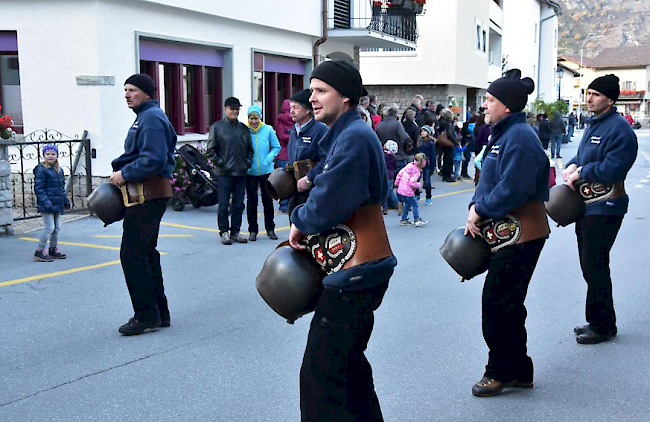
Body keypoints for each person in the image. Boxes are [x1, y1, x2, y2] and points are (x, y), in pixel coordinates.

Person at [288, 60, 396, 422]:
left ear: (346, 96)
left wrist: (299, 220)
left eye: (321, 91)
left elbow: (326, 205)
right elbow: (326, 177)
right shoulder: (349, 133)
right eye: (312, 90)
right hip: (362, 267)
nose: (312, 98)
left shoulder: (353, 137)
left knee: (321, 376)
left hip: (355, 270)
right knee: (348, 366)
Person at [464, 69, 549, 397]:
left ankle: (499, 371)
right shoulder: (503, 133)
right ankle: (518, 370)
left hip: (522, 233)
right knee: (509, 305)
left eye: (490, 100)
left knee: (497, 305)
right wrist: (477, 204)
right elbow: (489, 179)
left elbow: (513, 189)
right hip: (506, 232)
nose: (484, 105)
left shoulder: (520, 137)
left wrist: (481, 209)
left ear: (508, 106)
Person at [562, 74, 638, 345]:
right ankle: (598, 319)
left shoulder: (619, 129)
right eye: (588, 93)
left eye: (595, 94)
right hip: (587, 205)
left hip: (607, 205)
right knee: (590, 264)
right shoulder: (595, 125)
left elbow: (613, 168)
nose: (589, 98)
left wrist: (583, 171)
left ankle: (603, 325)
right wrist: (573, 164)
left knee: (595, 264)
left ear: (611, 99)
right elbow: (584, 156)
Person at [110, 73, 176, 335]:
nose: (127, 94)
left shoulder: (150, 119)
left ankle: (146, 315)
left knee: (132, 254)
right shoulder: (147, 117)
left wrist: (123, 174)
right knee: (146, 253)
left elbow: (154, 159)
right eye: (125, 90)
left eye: (133, 90)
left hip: (147, 195)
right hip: (148, 194)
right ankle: (159, 313)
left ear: (147, 93)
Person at [207, 97, 254, 245]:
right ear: (225, 109)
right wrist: (222, 164)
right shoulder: (217, 127)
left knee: (238, 205)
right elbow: (211, 150)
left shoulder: (244, 129)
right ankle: (224, 232)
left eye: (237, 109)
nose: (235, 112)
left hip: (241, 172)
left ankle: (235, 231)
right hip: (224, 173)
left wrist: (247, 163)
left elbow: (250, 150)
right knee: (223, 204)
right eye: (232, 109)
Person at [287, 89, 329, 218]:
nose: (292, 111)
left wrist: (309, 179)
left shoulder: (320, 130)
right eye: (290, 107)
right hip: (295, 189)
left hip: (313, 190)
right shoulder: (294, 130)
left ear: (307, 110)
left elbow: (326, 160)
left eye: (296, 107)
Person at [245, 105, 281, 241]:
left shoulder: (268, 130)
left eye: (256, 118)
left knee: (268, 201)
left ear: (260, 118)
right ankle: (252, 230)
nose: (253, 121)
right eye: (251, 118)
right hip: (250, 172)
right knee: (252, 201)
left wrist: (268, 159)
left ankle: (270, 229)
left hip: (266, 171)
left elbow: (276, 146)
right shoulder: (245, 131)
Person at [33, 143, 70, 262]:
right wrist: (45, 202)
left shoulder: (59, 170)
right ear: (43, 155)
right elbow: (39, 188)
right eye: (47, 154)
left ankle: (53, 249)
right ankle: (40, 251)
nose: (50, 156)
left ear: (57, 155)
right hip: (47, 204)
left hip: (57, 203)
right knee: (50, 227)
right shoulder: (41, 169)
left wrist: (65, 200)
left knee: (57, 227)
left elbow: (61, 188)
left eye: (53, 154)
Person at [395, 153, 428, 227]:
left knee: (408, 204)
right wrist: (419, 185)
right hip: (408, 191)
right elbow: (411, 183)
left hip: (401, 189)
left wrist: (397, 183)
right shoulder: (417, 172)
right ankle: (417, 219)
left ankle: (404, 219)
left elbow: (400, 174)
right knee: (415, 204)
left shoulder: (409, 165)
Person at [275, 99, 294, 213]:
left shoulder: (280, 120)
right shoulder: (297, 119)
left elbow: (281, 135)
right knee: (291, 179)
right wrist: (294, 137)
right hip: (289, 153)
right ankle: (288, 204)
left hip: (282, 154)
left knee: (282, 180)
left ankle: (283, 205)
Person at [435, 108, 458, 183]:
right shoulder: (448, 124)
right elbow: (450, 134)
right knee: (449, 159)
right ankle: (447, 175)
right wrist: (456, 141)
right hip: (448, 143)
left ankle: (444, 173)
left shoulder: (441, 122)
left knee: (445, 158)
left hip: (443, 142)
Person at [419, 125, 436, 205]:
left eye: (425, 131)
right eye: (422, 131)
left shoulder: (430, 143)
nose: (423, 133)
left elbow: (433, 156)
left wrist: (432, 167)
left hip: (427, 164)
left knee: (427, 182)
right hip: (418, 164)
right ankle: (416, 194)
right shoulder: (419, 141)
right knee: (415, 180)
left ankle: (428, 197)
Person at [382, 140, 399, 214]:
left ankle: (385, 207)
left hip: (384, 175)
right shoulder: (394, 158)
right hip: (391, 175)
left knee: (384, 191)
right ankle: (397, 203)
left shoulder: (383, 156)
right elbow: (394, 167)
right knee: (390, 190)